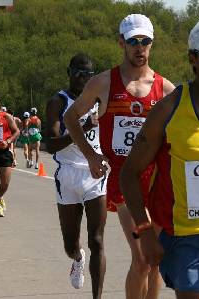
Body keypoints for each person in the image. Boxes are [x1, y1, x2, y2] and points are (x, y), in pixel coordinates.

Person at [120, 16, 199, 299]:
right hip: (188, 241)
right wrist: (145, 232)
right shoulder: (169, 110)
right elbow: (129, 174)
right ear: (193, 59)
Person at [64, 15, 175, 299]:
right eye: (133, 42)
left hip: (157, 180)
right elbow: (71, 117)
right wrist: (91, 156)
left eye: (145, 42)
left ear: (152, 44)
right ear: (121, 43)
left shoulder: (164, 88)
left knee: (153, 261)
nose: (140, 48)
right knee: (140, 256)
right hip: (126, 181)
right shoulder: (103, 83)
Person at [46, 53, 107, 299]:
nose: (83, 78)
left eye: (88, 74)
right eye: (78, 73)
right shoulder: (58, 102)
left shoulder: (101, 100)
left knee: (98, 241)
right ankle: (78, 259)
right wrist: (83, 128)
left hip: (95, 174)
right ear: (69, 72)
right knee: (71, 245)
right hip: (68, 174)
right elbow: (51, 145)